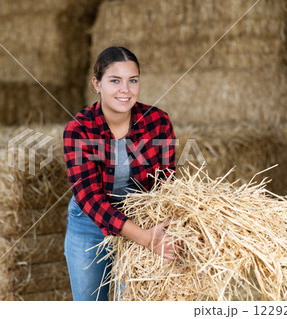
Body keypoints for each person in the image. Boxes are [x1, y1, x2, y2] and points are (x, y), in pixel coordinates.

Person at [63, 46, 179, 301]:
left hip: (142, 216)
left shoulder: (158, 122)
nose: (125, 89)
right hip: (89, 223)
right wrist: (145, 239)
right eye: (115, 80)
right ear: (97, 84)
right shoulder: (79, 130)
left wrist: (156, 230)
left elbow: (166, 183)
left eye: (132, 80)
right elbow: (90, 199)